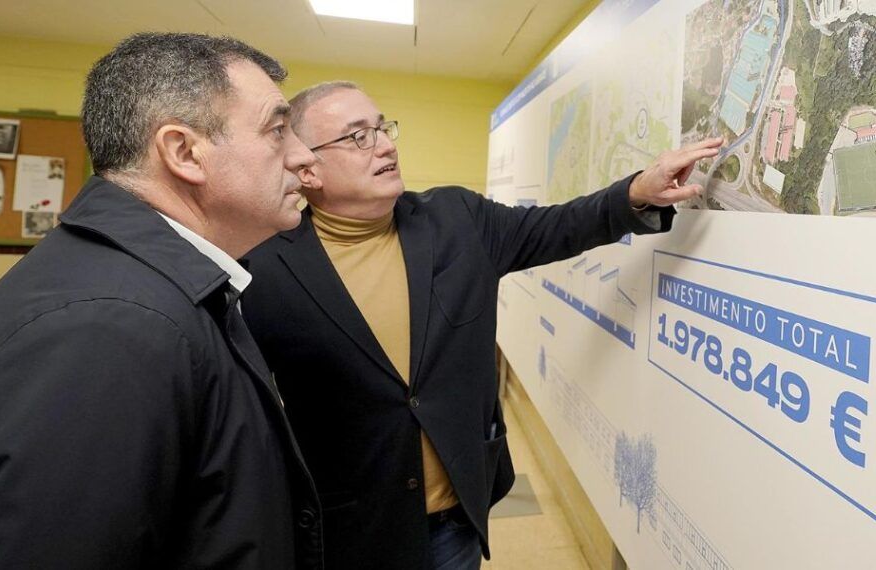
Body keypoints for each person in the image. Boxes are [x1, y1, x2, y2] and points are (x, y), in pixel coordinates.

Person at [239, 81, 723, 569]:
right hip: (351, 529)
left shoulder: (456, 218)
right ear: (306, 166)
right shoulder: (260, 271)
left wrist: (637, 191)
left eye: (383, 127)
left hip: (456, 520)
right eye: (358, 136)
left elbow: (558, 226)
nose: (385, 144)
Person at [0, 33, 324, 568]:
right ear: (184, 151)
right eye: (278, 131)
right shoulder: (106, 328)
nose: (304, 157)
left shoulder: (147, 292)